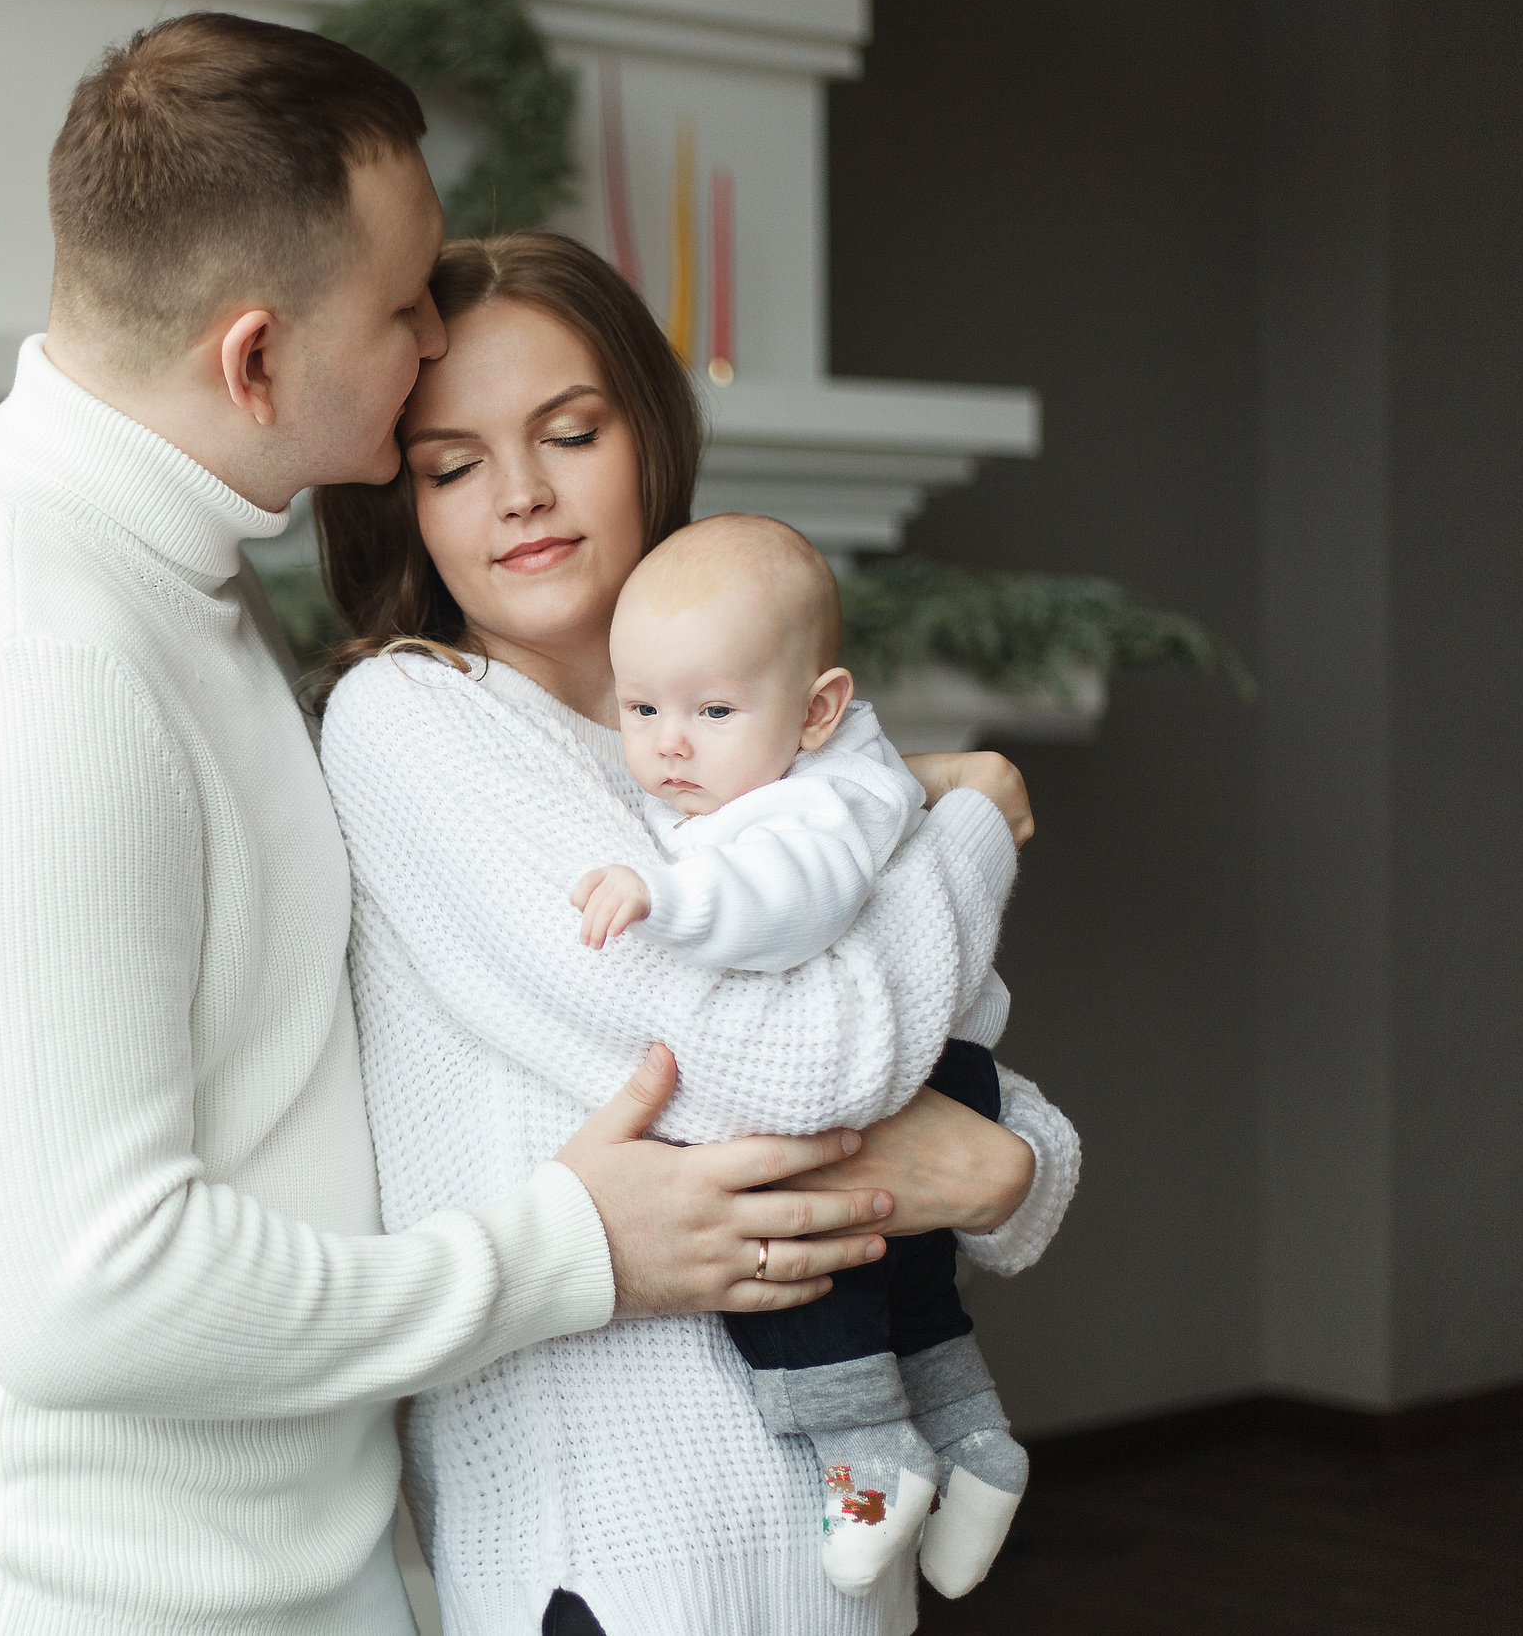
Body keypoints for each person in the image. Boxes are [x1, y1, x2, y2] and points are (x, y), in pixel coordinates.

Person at [0, 14, 1043, 1635]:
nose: (433, 336)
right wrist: (568, 1248)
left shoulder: (181, 590)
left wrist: (1006, 1160)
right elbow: (78, 1294)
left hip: (304, 1573)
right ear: (256, 359)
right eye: (402, 309)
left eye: (571, 429)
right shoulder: (42, 667)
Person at [315, 229, 1078, 1634]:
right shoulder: (414, 723)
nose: (521, 492)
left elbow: (951, 1070)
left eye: (570, 432)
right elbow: (806, 1061)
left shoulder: (737, 743)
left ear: (650, 439)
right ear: (402, 500)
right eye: (452, 463)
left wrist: (1012, 1166)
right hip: (622, 1561)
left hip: (844, 1543)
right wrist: (966, 822)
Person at [567, 513, 1027, 1599]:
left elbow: (791, 908)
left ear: (817, 709)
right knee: (920, 1313)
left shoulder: (818, 807)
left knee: (798, 1292)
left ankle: (871, 1471)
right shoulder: (814, 770)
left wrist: (664, 895)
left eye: (712, 711)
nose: (669, 745)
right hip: (936, 1083)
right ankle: (981, 1453)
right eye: (640, 709)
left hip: (885, 1094)